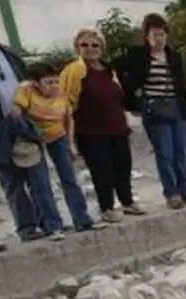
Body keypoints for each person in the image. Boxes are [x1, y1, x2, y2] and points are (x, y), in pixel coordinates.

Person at [60, 27, 145, 224]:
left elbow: (118, 97)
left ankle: (127, 201)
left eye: (95, 45)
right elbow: (66, 103)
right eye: (85, 45)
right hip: (91, 131)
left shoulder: (108, 70)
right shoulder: (74, 71)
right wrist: (69, 136)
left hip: (117, 127)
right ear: (77, 48)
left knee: (123, 167)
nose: (90, 49)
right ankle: (106, 207)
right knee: (102, 171)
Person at [120, 13, 186, 210]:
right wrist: (136, 99)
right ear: (147, 36)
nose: (159, 39)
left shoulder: (173, 57)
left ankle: (185, 190)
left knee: (180, 152)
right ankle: (171, 193)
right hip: (154, 109)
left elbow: (181, 86)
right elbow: (122, 73)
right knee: (164, 153)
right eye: (155, 35)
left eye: (162, 34)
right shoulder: (138, 56)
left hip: (176, 107)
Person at [0, 10, 39, 240]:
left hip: (23, 125)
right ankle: (27, 227)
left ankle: (48, 222)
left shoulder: (10, 56)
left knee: (37, 176)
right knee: (12, 182)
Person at [13, 62, 98, 233]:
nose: (53, 86)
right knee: (41, 184)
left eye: (55, 81)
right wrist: (27, 132)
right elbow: (16, 113)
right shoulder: (26, 91)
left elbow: (68, 118)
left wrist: (70, 143)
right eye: (48, 82)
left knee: (69, 178)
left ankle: (82, 219)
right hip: (34, 139)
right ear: (36, 83)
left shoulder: (61, 94)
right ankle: (53, 225)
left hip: (58, 136)